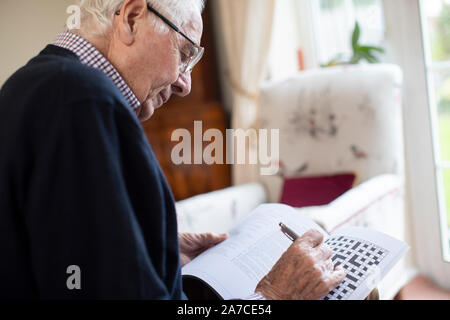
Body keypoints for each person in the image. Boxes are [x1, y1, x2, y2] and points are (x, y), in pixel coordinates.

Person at [0, 0, 345, 299]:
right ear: (133, 17)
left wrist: (151, 249)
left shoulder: (32, 84)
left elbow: (65, 260)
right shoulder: (82, 99)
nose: (185, 83)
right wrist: (273, 295)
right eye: (184, 54)